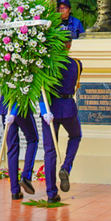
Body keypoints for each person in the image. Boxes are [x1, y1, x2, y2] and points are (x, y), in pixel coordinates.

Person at [41, 40, 83, 202]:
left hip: (50, 108)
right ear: (69, 45)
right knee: (76, 135)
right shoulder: (77, 64)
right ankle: (66, 166)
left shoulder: (47, 64)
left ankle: (51, 193)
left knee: (50, 150)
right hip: (67, 107)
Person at [0, 101, 39, 200]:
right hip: (21, 107)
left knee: (12, 148)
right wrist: (14, 112)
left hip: (6, 108)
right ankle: (26, 175)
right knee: (33, 140)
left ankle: (15, 190)